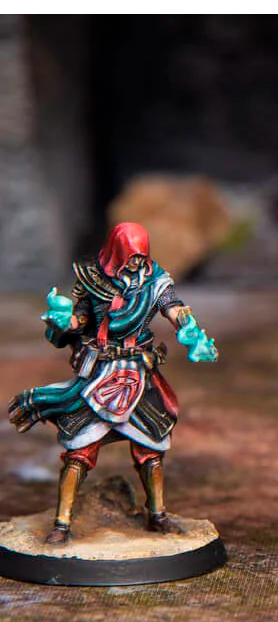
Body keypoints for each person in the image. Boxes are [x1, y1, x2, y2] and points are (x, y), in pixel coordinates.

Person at [8, 221, 219, 544]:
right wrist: (66, 320)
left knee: (152, 447)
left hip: (139, 374)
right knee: (79, 450)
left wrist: (188, 328)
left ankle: (158, 515)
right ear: (118, 252)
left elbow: (173, 307)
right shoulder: (93, 279)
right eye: (132, 256)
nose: (137, 262)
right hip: (100, 376)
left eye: (141, 256)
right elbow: (81, 317)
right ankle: (62, 524)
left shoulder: (155, 281)